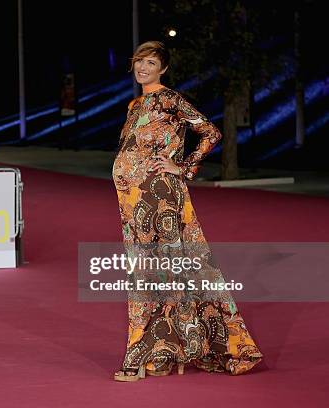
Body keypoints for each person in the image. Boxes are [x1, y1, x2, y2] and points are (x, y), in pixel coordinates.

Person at [112, 41, 262, 381]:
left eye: (150, 63)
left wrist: (183, 165)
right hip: (133, 202)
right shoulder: (135, 104)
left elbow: (210, 132)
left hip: (160, 199)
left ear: (162, 68)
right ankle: (166, 353)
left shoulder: (169, 98)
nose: (143, 68)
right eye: (139, 62)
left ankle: (141, 357)